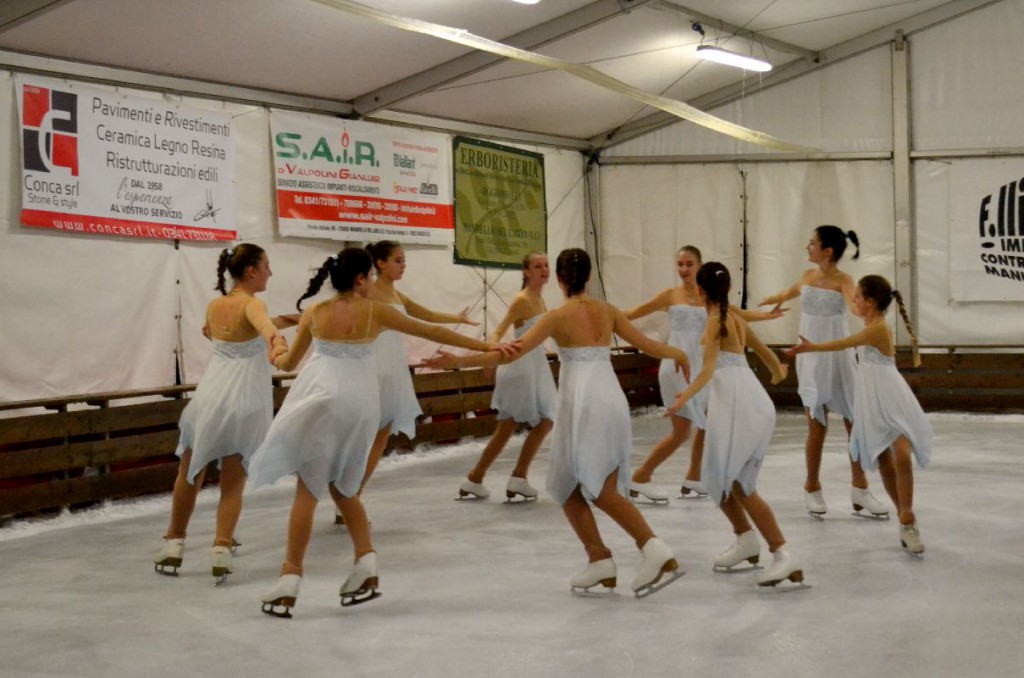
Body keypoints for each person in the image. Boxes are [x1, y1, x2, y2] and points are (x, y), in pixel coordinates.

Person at [249, 248, 516, 618]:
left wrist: (274, 350)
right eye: (371, 276)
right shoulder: (376, 311)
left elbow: (288, 363)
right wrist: (488, 345)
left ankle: (289, 578)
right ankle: (366, 561)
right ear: (360, 278)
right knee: (344, 488)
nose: (374, 282)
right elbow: (433, 331)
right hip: (361, 403)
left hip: (323, 398)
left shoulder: (316, 311)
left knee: (308, 490)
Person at [427, 248, 688, 598]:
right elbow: (649, 345)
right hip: (610, 399)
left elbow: (510, 352)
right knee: (568, 483)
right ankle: (599, 559)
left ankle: (652, 547)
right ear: (590, 276)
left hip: (583, 402)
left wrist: (458, 363)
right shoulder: (608, 311)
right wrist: (679, 353)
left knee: (597, 488)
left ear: (561, 280)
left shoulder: (556, 316)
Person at [153, 244, 288, 583]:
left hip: (211, 397)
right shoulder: (254, 304)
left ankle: (174, 543)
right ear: (251, 271)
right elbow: (264, 326)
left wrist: (299, 319)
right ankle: (221, 547)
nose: (270, 272)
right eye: (267, 266)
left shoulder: (215, 306)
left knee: (190, 471)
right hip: (244, 401)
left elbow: (223, 329)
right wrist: (278, 342)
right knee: (233, 481)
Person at [668, 262, 805, 588]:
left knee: (739, 483)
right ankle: (746, 539)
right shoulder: (734, 318)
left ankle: (782, 552)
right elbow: (765, 353)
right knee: (718, 478)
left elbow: (707, 370)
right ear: (728, 288)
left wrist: (683, 397)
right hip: (747, 402)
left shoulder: (717, 320)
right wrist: (777, 373)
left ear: (700, 290)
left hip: (738, 406)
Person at [328, 240, 480, 522]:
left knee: (380, 435)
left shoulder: (396, 295)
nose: (403, 266)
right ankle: (347, 496)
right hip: (374, 365)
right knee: (367, 436)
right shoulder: (368, 293)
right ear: (380, 263)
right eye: (398, 260)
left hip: (392, 368)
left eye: (404, 260)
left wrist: (456, 317)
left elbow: (426, 315)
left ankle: (350, 496)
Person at [625, 245, 785, 502]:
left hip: (702, 365)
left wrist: (767, 317)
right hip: (677, 366)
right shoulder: (670, 295)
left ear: (699, 267)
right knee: (682, 432)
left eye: (689, 264)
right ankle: (641, 477)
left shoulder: (712, 297)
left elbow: (740, 315)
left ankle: (693, 476)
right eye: (680, 264)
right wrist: (606, 315)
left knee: (707, 422)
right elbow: (634, 313)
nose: (683, 269)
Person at [787, 275, 931, 555]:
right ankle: (904, 518)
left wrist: (812, 347)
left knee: (901, 455)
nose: (853, 302)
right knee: (883, 458)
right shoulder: (871, 325)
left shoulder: (877, 329)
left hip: (891, 398)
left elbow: (843, 343)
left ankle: (908, 516)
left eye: (857, 298)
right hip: (872, 401)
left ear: (870, 302)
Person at [759, 225, 887, 520]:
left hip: (838, 355)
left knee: (854, 422)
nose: (808, 247)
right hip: (811, 355)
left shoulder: (845, 280)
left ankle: (860, 488)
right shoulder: (807, 276)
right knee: (817, 425)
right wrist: (769, 301)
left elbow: (856, 307)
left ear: (827, 251)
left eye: (812, 243)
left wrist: (872, 311)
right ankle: (812, 486)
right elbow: (788, 292)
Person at [458, 252, 556, 501]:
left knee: (527, 423)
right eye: (538, 266)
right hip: (520, 368)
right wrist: (490, 355)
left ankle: (478, 478)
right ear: (526, 272)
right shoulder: (522, 299)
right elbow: (500, 330)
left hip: (534, 366)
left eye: (546, 265)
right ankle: (510, 477)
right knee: (533, 422)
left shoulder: (540, 299)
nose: (544, 269)